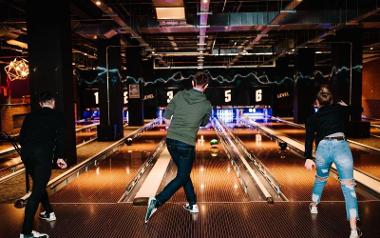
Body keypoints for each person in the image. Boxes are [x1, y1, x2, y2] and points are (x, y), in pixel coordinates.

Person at [144, 72, 212, 223]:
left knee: (183, 172)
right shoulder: (207, 105)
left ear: (193, 83)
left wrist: (174, 129)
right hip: (186, 143)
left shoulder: (180, 95)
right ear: (206, 86)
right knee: (182, 175)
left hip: (171, 140)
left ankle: (193, 203)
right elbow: (204, 123)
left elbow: (167, 116)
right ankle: (157, 201)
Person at [304, 85, 362, 238]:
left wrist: (308, 157)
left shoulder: (313, 117)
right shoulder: (339, 109)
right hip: (341, 146)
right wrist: (346, 107)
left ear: (317, 102)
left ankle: (314, 205)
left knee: (321, 179)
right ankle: (354, 230)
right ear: (332, 100)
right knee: (349, 188)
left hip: (323, 149)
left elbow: (309, 137)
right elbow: (359, 110)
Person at [19, 91, 67, 238]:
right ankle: (26, 232)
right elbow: (60, 138)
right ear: (53, 102)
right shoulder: (58, 115)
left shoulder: (30, 116)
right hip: (42, 156)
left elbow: (22, 138)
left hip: (27, 156)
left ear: (40, 104)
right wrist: (60, 157)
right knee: (36, 192)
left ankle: (49, 212)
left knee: (39, 185)